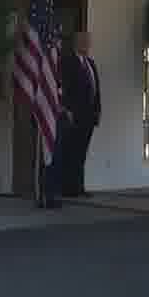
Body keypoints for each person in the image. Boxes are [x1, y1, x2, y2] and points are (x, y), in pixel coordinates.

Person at [60, 32, 101, 197]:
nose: (86, 45)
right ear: (76, 43)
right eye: (83, 42)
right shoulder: (68, 62)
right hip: (74, 114)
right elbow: (66, 88)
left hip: (89, 115)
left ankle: (79, 186)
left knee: (82, 153)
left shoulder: (91, 63)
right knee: (71, 151)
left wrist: (98, 111)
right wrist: (67, 109)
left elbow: (96, 90)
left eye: (88, 42)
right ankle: (68, 188)